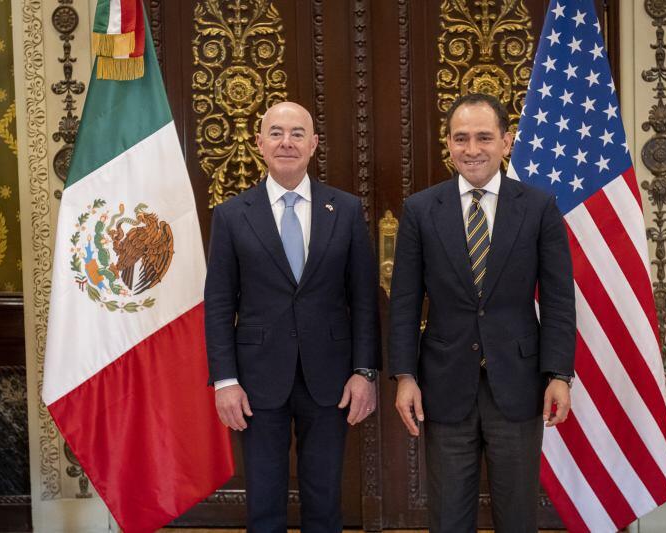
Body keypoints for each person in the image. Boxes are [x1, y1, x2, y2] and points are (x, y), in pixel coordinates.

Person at [389, 93, 576, 532]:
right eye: (461, 138)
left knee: (517, 518)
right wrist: (405, 376)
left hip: (519, 384)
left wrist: (559, 375)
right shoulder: (420, 210)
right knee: (449, 517)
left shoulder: (539, 207)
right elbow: (404, 302)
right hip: (444, 384)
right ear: (448, 144)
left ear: (506, 142)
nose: (471, 149)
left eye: (484, 137)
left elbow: (558, 300)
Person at [205, 101, 380, 532]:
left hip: (331, 378)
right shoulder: (231, 215)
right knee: (264, 503)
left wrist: (365, 372)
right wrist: (225, 381)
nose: (287, 142)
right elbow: (219, 304)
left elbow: (363, 299)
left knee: (325, 501)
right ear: (259, 143)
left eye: (298, 133)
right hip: (256, 380)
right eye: (277, 133)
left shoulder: (345, 210)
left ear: (314, 144)